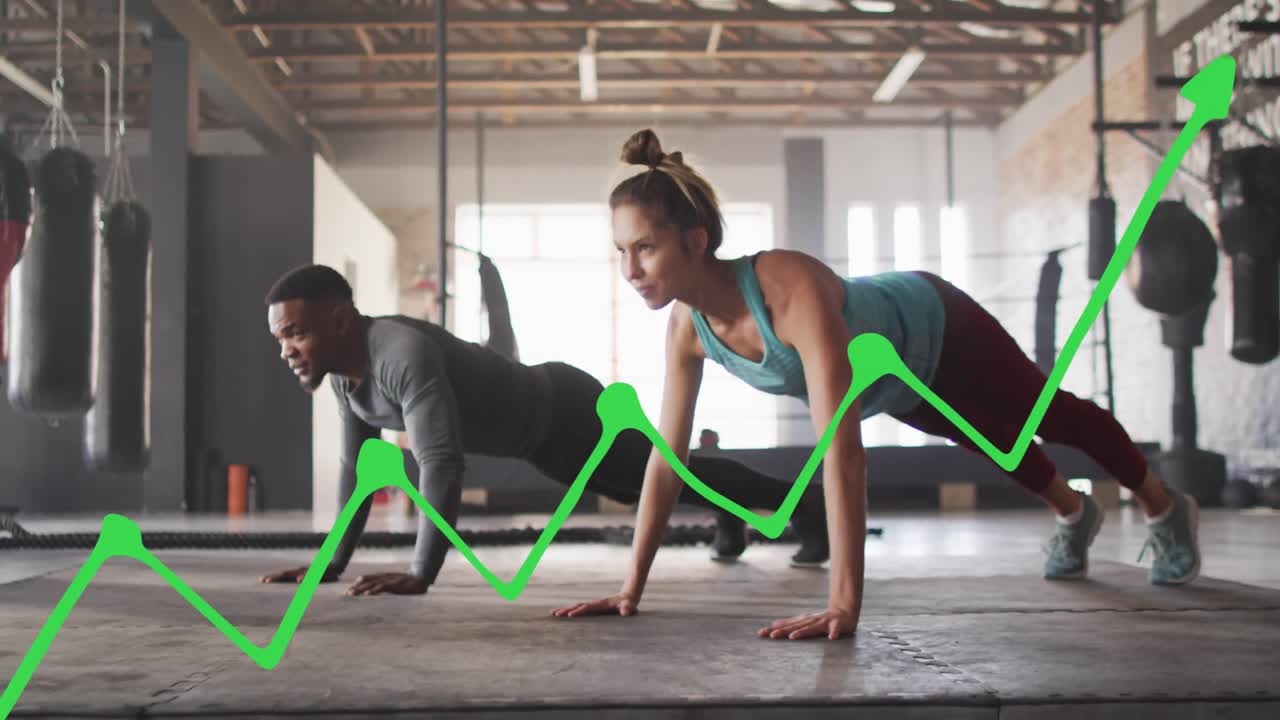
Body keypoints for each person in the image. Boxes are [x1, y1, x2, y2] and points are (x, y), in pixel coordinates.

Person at [551, 129, 1202, 641]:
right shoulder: (689, 330)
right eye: (621, 253)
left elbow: (842, 450)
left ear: (695, 241)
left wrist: (843, 602)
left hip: (936, 323)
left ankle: (1163, 508)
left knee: (1044, 415)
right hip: (895, 381)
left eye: (645, 248)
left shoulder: (788, 286)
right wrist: (630, 588)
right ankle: (1072, 511)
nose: (631, 270)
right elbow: (669, 465)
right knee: (992, 440)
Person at [259, 264, 830, 597]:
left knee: (658, 479)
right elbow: (354, 474)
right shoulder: (344, 378)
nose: (286, 351)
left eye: (295, 334)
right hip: (539, 439)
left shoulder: (400, 353)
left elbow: (440, 463)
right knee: (660, 481)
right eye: (280, 339)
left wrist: (419, 573)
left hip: (565, 410)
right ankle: (733, 511)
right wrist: (330, 564)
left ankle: (807, 504)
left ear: (338, 321)